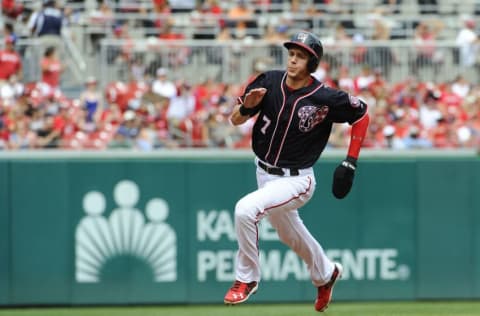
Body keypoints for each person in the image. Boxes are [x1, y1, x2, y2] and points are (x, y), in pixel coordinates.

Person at [223, 31, 370, 312]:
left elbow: (362, 114)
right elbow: (234, 120)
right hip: (263, 171)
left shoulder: (325, 97)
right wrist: (246, 108)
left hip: (297, 179)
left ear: (311, 63)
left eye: (300, 56)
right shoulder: (268, 81)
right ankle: (326, 274)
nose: (293, 59)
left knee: (245, 210)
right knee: (289, 234)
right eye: (291, 53)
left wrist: (350, 161)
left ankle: (247, 278)